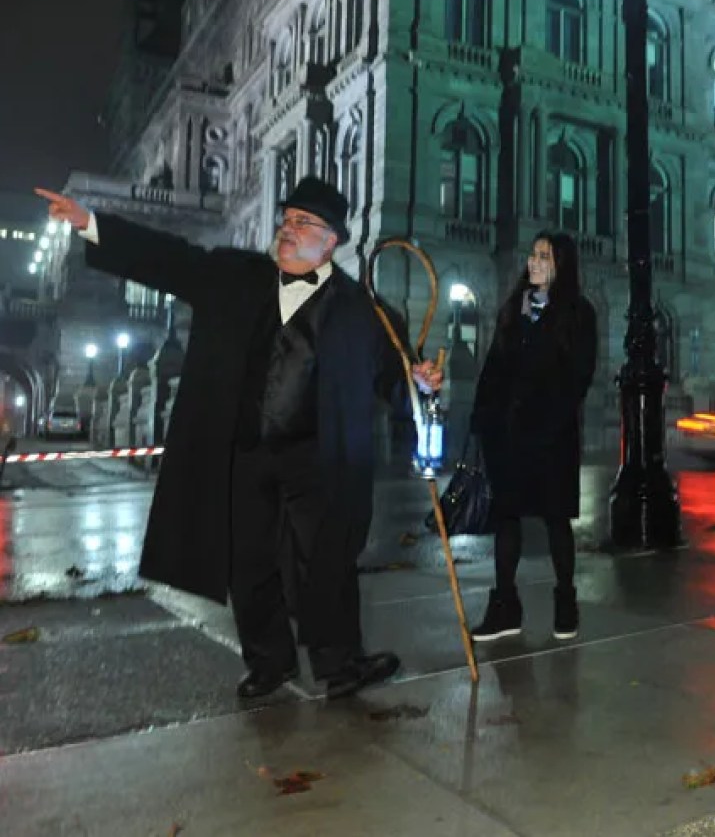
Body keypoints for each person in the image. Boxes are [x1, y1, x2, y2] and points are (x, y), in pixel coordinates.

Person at [36, 178, 441, 700]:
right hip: (245, 450)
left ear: (331, 240)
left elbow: (395, 377)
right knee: (248, 562)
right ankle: (268, 661)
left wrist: (420, 379)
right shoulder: (237, 276)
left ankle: (340, 662)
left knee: (324, 563)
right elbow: (172, 258)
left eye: (302, 223)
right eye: (287, 218)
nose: (287, 229)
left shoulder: (365, 311)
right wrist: (91, 223)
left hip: (319, 459)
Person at [468, 232, 597, 642]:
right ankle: (505, 605)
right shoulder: (513, 309)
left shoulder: (578, 312)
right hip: (507, 434)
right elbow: (493, 367)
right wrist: (481, 420)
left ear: (562, 264)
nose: (534, 262)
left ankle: (565, 601)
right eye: (534, 254)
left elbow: (579, 376)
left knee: (556, 520)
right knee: (506, 519)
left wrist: (548, 422)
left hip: (552, 436)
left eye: (545, 256)